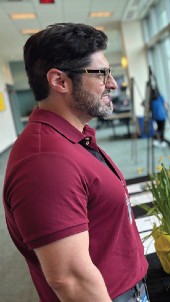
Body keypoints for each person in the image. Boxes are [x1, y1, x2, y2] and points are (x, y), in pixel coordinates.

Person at [2, 23, 149, 301]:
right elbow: (70, 279)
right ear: (60, 81)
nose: (113, 83)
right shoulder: (45, 162)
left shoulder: (73, 138)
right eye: (101, 73)